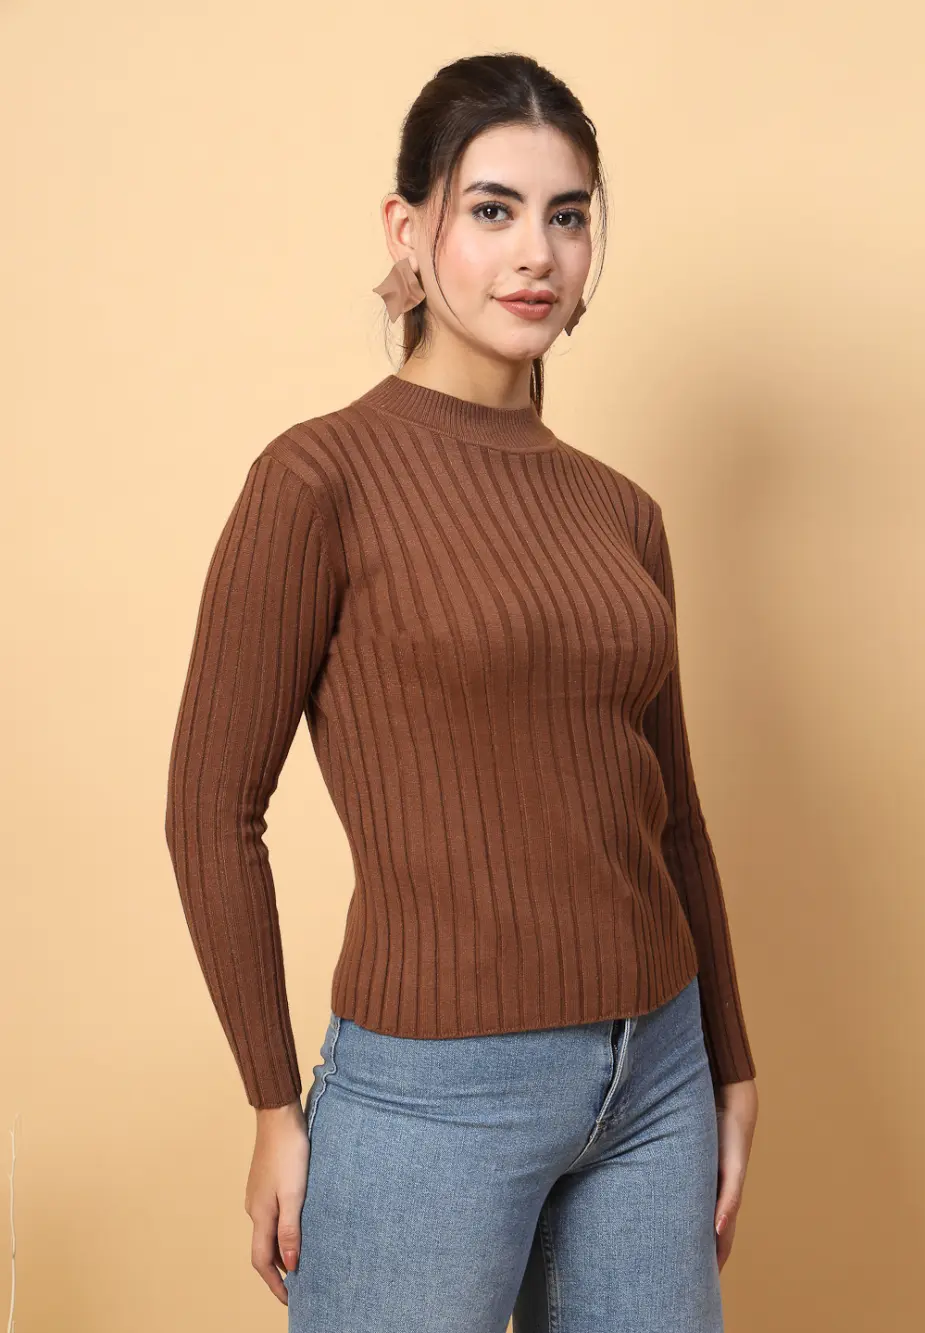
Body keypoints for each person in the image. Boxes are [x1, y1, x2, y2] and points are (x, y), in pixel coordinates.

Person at [164, 50, 758, 1333]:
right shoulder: (317, 482)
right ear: (408, 229)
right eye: (492, 209)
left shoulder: (621, 513)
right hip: (435, 1092)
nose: (536, 252)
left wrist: (730, 1060)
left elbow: (672, 816)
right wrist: (272, 1103)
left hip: (655, 1073)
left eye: (568, 215)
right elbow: (210, 810)